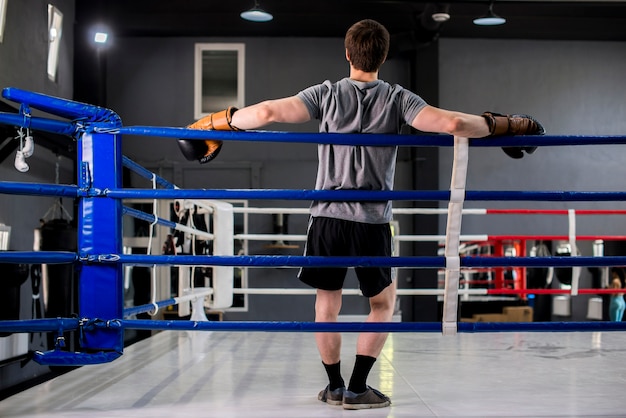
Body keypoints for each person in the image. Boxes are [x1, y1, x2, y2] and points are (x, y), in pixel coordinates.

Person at [177, 19, 544, 409]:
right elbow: (452, 124)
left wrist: (220, 122)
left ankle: (334, 386)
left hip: (327, 218)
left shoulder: (327, 93)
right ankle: (357, 386)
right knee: (383, 304)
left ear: (348, 54)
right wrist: (504, 125)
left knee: (326, 303)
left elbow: (267, 112)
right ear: (383, 57)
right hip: (370, 221)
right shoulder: (398, 98)